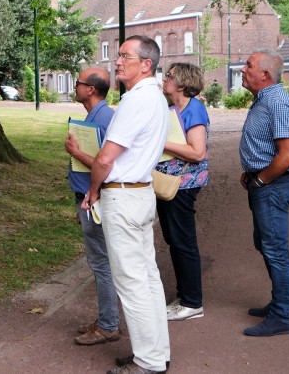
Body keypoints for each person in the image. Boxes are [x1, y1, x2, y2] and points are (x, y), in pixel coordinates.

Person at [84, 35, 170, 374]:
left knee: (133, 284)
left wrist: (93, 191)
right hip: (141, 192)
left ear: (145, 64)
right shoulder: (156, 98)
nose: (117, 61)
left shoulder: (136, 100)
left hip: (124, 194)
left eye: (124, 56)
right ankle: (156, 353)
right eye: (117, 55)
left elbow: (105, 158)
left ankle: (148, 363)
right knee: (148, 280)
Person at [238, 49, 289, 336]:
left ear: (264, 74)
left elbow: (288, 155)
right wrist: (252, 171)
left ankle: (281, 317)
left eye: (249, 65)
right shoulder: (266, 99)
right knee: (267, 246)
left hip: (273, 187)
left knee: (275, 250)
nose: (243, 69)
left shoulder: (277, 102)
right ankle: (283, 303)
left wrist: (261, 180)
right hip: (265, 184)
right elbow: (268, 146)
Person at [64, 67, 119, 345]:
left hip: (95, 199)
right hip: (87, 198)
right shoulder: (96, 116)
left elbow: (106, 165)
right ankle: (107, 319)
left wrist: (76, 153)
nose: (75, 87)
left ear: (91, 89)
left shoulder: (106, 119)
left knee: (102, 263)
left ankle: (109, 325)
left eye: (78, 83)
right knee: (100, 261)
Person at [155, 63, 209, 321]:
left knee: (183, 242)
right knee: (175, 240)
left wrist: (159, 141)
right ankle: (184, 296)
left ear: (183, 83)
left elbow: (198, 152)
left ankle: (192, 303)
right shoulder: (173, 109)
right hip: (171, 183)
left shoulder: (194, 109)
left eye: (170, 76)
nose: (165, 79)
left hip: (183, 185)